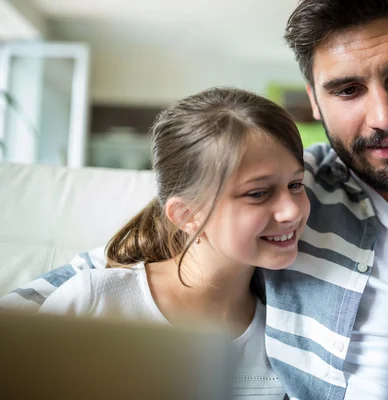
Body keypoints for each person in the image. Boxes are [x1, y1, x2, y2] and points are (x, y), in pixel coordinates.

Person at [1, 1, 388, 399]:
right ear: (313, 100)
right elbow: (100, 277)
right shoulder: (292, 189)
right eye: (346, 90)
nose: (383, 116)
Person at [38, 87, 311, 400]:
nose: (291, 210)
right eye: (258, 193)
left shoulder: (284, 340)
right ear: (186, 214)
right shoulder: (94, 301)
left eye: (295, 184)